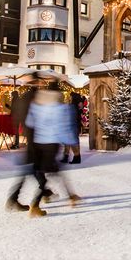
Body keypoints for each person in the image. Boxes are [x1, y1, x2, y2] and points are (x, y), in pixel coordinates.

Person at [25, 78, 80, 217]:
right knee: (52, 172)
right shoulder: (61, 108)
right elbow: (65, 127)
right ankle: (35, 205)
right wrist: (72, 143)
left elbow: (29, 122)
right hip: (51, 143)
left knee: (51, 172)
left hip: (38, 142)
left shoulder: (36, 105)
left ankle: (70, 196)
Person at [60, 92, 83, 164]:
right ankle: (66, 156)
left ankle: (76, 157)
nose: (70, 98)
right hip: (72, 126)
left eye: (71, 97)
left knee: (73, 142)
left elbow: (71, 117)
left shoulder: (73, 106)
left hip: (72, 126)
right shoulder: (76, 105)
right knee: (68, 141)